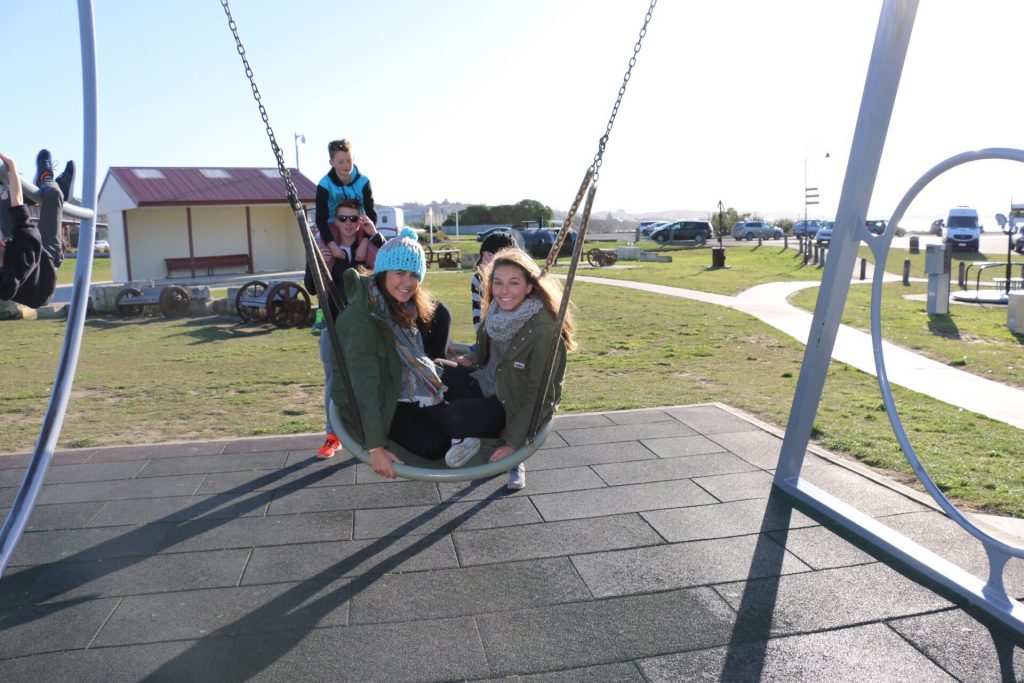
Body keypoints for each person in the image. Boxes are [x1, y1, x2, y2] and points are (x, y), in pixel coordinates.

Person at [329, 228, 501, 479]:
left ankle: (494, 414)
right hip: (384, 398)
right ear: (383, 272)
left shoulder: (403, 306)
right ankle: (468, 424)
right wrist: (375, 446)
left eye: (414, 275)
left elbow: (418, 359)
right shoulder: (360, 320)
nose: (407, 283)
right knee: (435, 445)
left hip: (404, 381)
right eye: (400, 273)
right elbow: (363, 384)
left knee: (469, 385)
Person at [441, 246, 577, 490]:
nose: (504, 291)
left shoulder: (544, 332)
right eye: (498, 283)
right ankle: (468, 436)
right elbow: (488, 346)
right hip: (488, 382)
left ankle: (504, 451)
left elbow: (541, 396)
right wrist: (472, 356)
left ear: (529, 287)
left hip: (511, 404)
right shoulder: (496, 312)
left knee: (453, 416)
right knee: (437, 370)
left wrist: (514, 444)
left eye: (514, 283)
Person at [307, 199, 386, 458]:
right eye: (343, 219)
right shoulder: (323, 248)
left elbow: (392, 267)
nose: (348, 224)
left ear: (361, 220)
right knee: (334, 380)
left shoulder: (370, 249)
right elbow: (311, 287)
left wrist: (374, 235)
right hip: (334, 325)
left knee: (372, 380)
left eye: (354, 218)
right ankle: (333, 436)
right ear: (336, 221)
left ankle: (373, 435)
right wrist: (319, 264)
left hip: (368, 327)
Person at [0, 150, 74, 308]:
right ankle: (47, 178)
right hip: (46, 262)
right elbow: (17, 201)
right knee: (52, 193)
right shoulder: (24, 246)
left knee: (5, 196)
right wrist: (11, 164)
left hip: (23, 284)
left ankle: (54, 191)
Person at [471, 230, 517, 330]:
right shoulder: (478, 279)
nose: (485, 260)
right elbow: (478, 316)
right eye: (483, 255)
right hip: (488, 332)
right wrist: (483, 336)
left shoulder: (521, 281)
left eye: (490, 255)